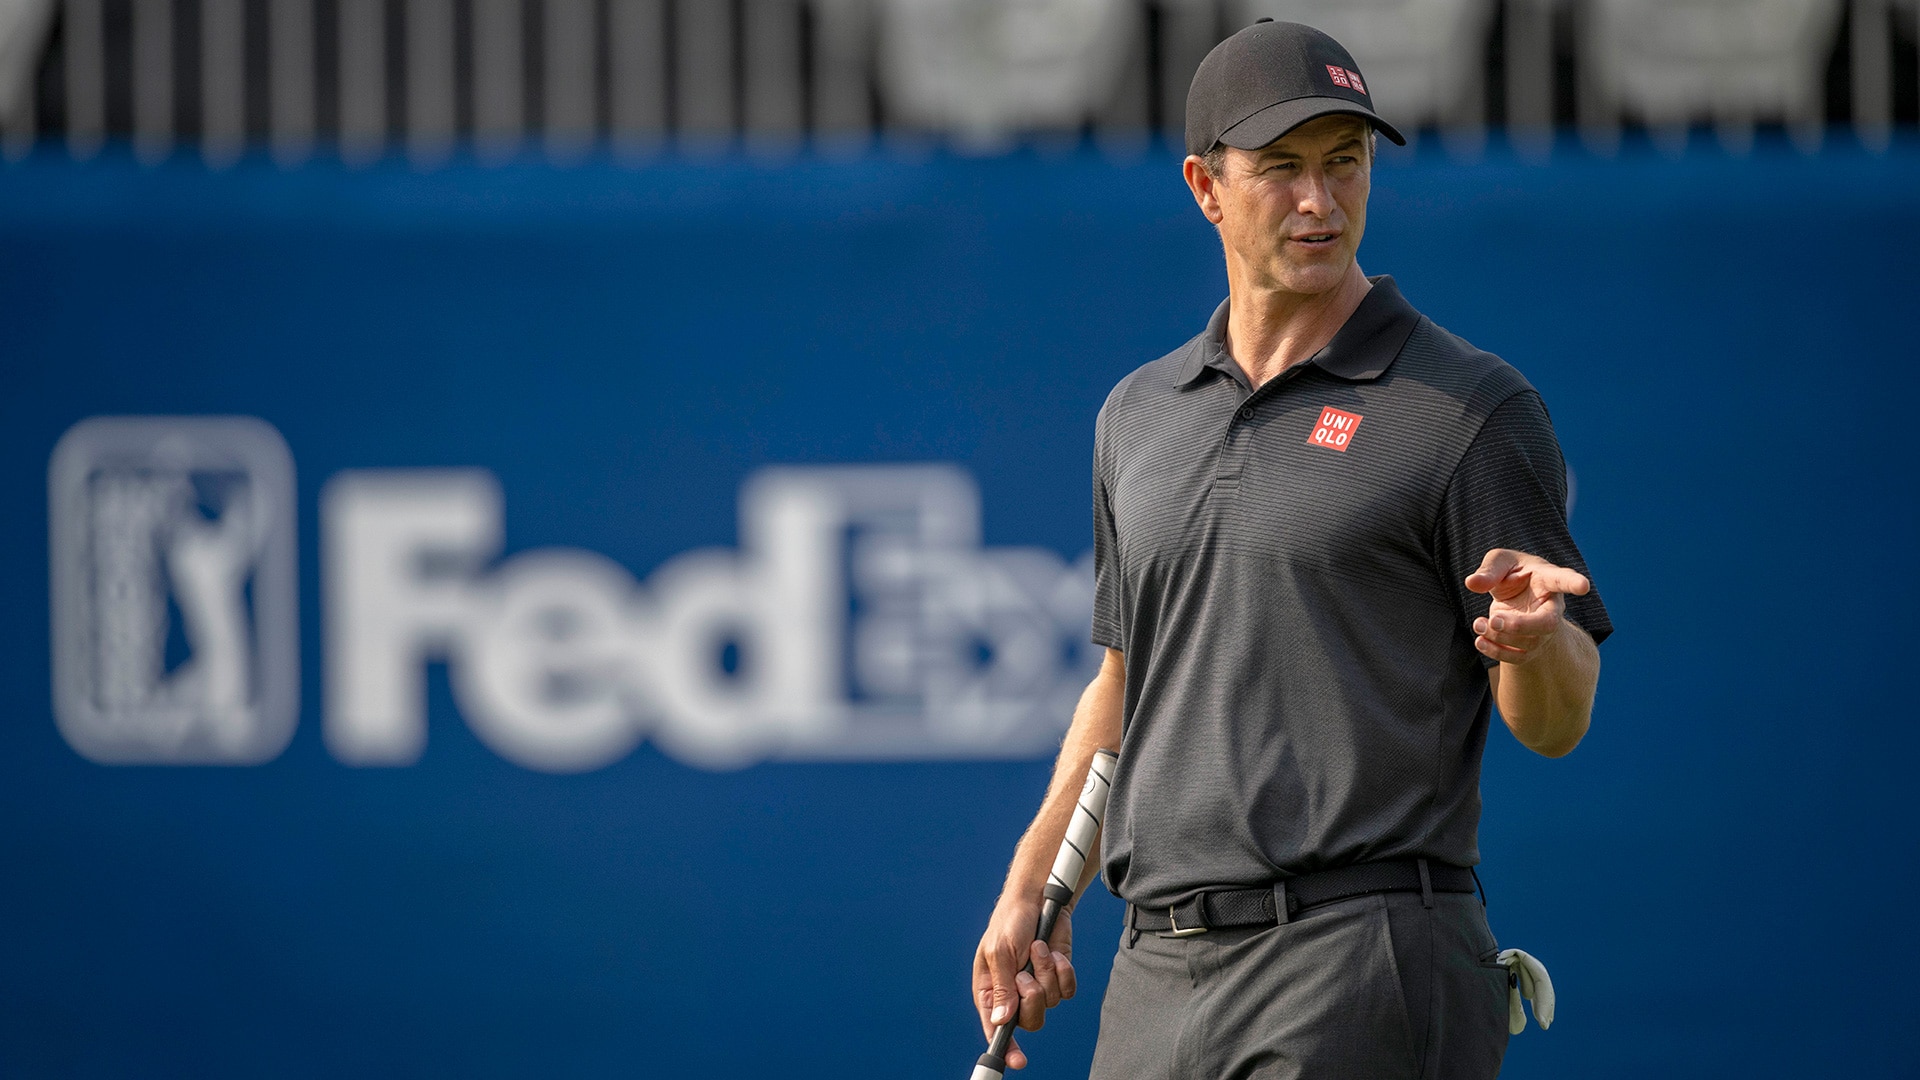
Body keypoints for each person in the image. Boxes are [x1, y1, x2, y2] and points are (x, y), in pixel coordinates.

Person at [970, 18, 1612, 1079]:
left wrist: (1535, 644)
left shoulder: (1472, 409)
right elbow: (1127, 682)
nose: (1320, 202)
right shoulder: (1137, 415)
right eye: (1282, 170)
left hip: (1362, 962)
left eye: (1344, 164)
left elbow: (1558, 724)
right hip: (1155, 977)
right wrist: (1032, 886)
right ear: (1205, 187)